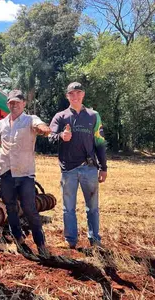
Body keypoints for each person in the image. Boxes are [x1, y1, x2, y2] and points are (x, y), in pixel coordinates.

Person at [0, 90, 51, 257]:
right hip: (6, 173)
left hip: (25, 174)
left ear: (24, 104)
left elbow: (39, 126)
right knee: (10, 209)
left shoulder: (30, 120)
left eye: (17, 102)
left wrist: (44, 129)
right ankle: (18, 240)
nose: (14, 105)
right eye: (11, 102)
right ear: (7, 104)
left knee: (30, 209)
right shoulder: (1, 124)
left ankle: (41, 244)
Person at [48, 82, 108, 249]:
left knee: (93, 208)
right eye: (71, 94)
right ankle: (71, 240)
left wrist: (103, 167)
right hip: (69, 170)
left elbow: (100, 142)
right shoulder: (60, 117)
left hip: (89, 168)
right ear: (67, 96)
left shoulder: (93, 116)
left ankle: (95, 240)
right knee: (68, 208)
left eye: (78, 93)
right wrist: (61, 136)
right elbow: (50, 136)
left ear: (83, 95)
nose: (75, 96)